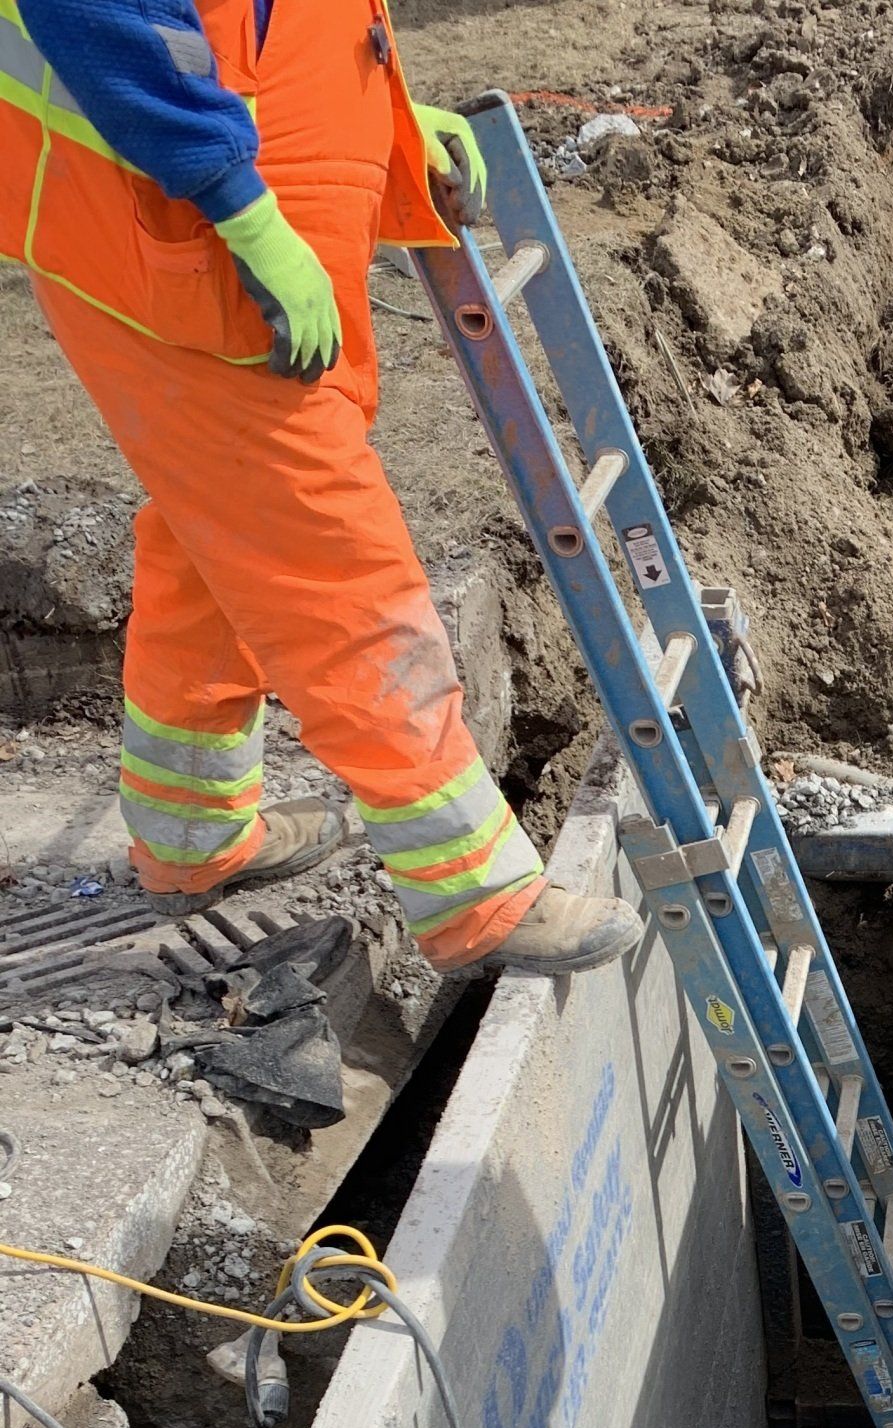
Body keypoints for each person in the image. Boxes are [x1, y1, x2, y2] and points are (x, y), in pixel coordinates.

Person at [0, 0, 640, 976]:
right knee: (328, 549)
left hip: (234, 209)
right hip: (182, 221)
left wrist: (383, 109)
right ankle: (474, 889)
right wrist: (237, 202)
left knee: (215, 517)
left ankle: (191, 834)